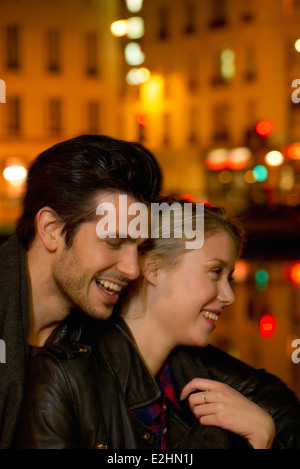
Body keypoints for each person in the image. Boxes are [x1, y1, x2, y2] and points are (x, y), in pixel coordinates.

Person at [14, 198, 300, 449]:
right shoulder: (61, 379)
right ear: (153, 269)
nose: (228, 296)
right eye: (215, 272)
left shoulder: (194, 381)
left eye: (230, 279)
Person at [0, 134, 162, 449]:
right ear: (52, 229)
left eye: (138, 248)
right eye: (114, 242)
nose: (133, 269)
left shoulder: (113, 322)